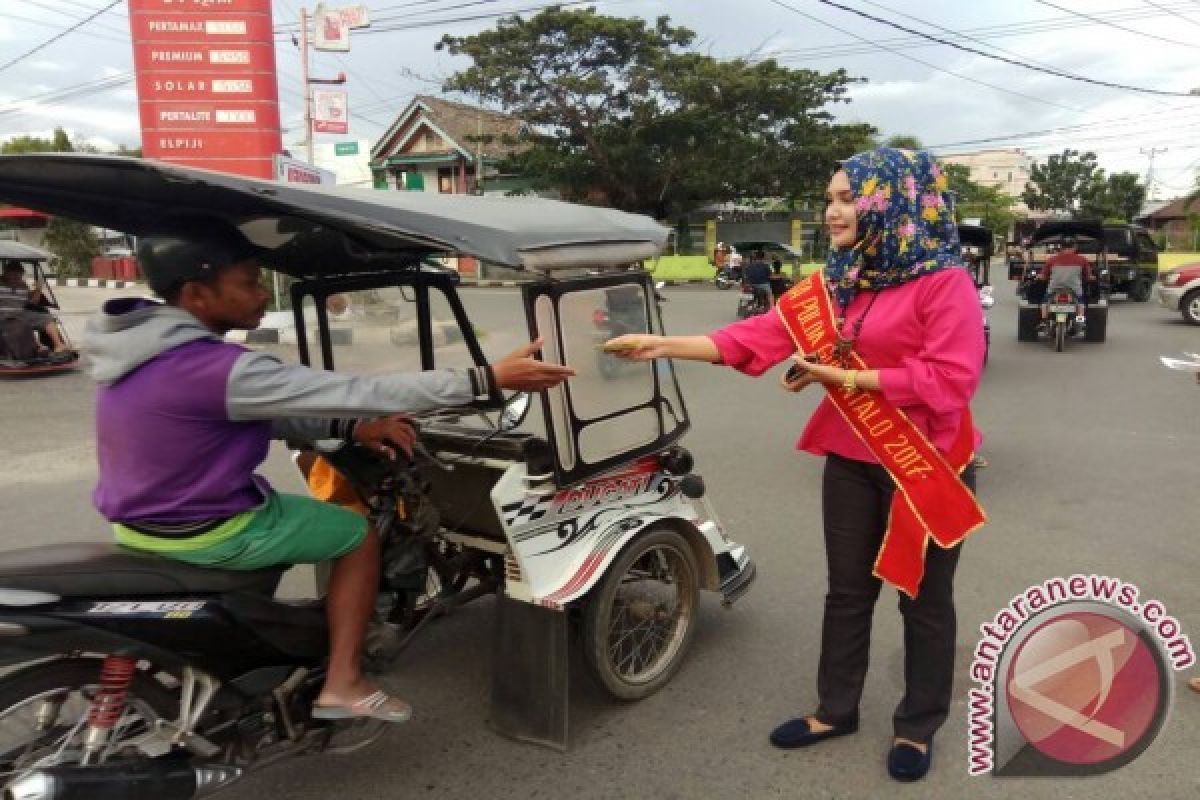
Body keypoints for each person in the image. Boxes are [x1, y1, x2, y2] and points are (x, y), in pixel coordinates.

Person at [85, 222, 573, 723]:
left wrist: (352, 429)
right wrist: (485, 378)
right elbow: (362, 392)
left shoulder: (139, 352)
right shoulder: (213, 367)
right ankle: (344, 681)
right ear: (196, 293)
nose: (258, 294)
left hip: (140, 522)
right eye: (249, 282)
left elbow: (250, 412)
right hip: (211, 526)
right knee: (355, 534)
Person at [605, 148, 985, 782]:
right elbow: (756, 337)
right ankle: (836, 710)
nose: (833, 210)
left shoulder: (944, 283)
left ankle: (918, 726)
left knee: (923, 601)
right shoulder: (837, 281)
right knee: (846, 592)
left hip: (925, 463)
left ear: (889, 205)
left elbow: (951, 379)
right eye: (830, 198)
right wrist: (662, 344)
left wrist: (840, 375)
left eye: (847, 198)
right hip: (851, 458)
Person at [0, 261, 70, 353]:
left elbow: (32, 302)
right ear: (6, 274)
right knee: (20, 324)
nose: (16, 278)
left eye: (19, 275)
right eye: (13, 275)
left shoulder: (23, 286)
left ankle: (58, 345)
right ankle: (36, 346)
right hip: (4, 316)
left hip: (20, 313)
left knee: (47, 318)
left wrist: (38, 289)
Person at [1039, 236, 1092, 332]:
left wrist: (1040, 277)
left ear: (1061, 247)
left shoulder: (1052, 260)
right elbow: (1087, 276)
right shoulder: (1082, 260)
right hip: (1074, 289)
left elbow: (1043, 276)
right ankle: (1080, 321)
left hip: (1054, 289)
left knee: (1044, 302)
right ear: (1075, 247)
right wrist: (1091, 278)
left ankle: (1043, 321)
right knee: (1081, 303)